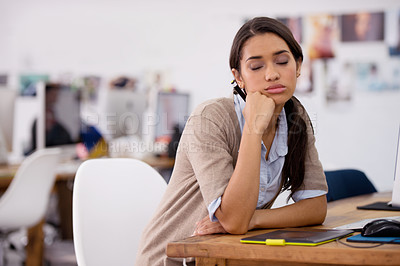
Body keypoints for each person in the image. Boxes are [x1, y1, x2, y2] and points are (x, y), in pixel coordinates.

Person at [135, 17, 328, 266]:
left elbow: (315, 207)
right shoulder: (211, 118)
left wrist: (255, 219)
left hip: (230, 253)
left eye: (282, 61)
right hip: (177, 258)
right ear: (239, 77)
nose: (272, 74)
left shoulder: (295, 117)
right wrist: (253, 127)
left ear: (298, 65)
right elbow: (234, 220)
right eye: (256, 67)